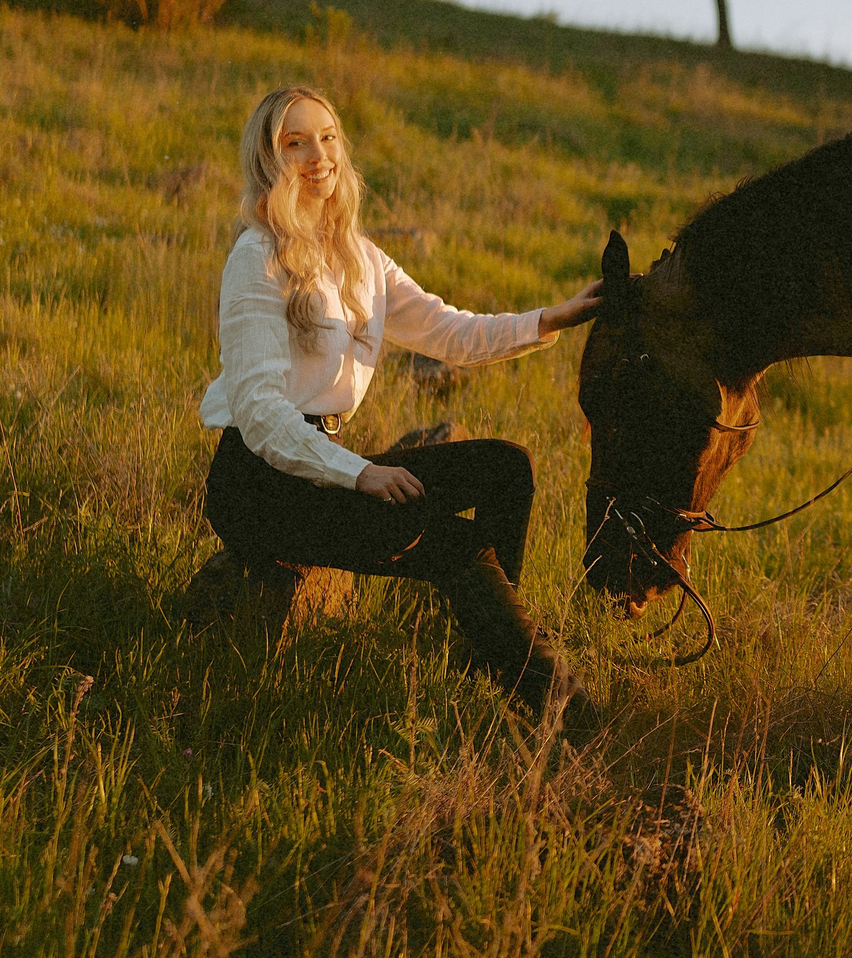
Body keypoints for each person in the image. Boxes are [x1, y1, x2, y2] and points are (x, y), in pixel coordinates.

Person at [198, 84, 601, 721]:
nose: (317, 155)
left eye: (327, 137)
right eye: (294, 142)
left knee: (506, 468)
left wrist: (554, 316)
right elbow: (259, 416)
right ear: (268, 160)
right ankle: (564, 711)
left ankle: (483, 651)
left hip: (324, 465)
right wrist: (360, 473)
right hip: (259, 484)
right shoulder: (257, 259)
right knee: (456, 548)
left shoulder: (362, 259)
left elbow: (452, 333)